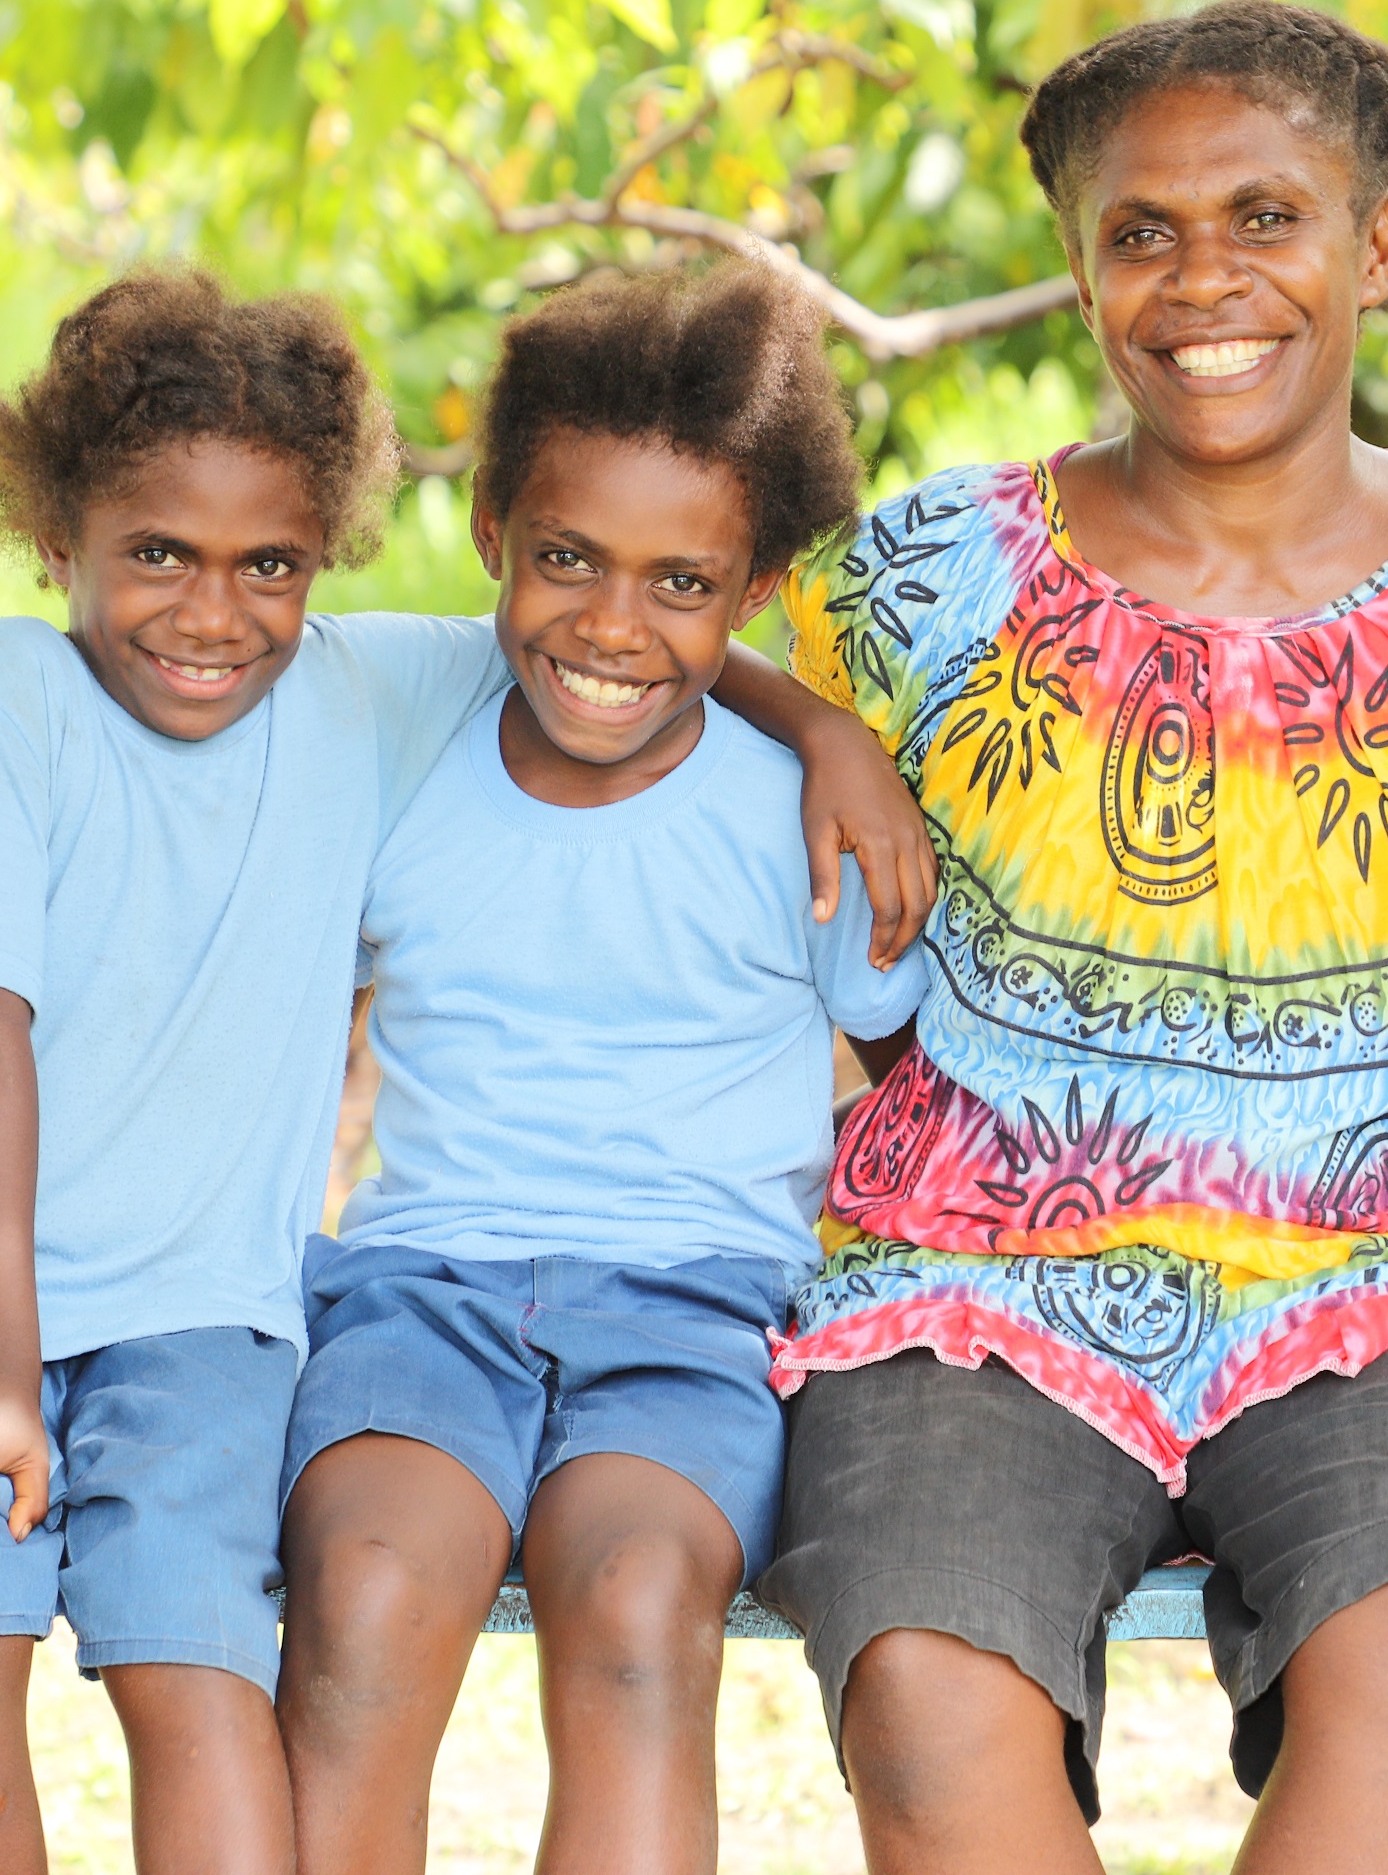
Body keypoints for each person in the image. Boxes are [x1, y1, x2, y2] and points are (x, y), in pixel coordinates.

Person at [0, 270, 928, 1875]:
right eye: (158, 552)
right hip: (170, 1310)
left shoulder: (414, 704)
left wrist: (824, 728)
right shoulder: (154, 696)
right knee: (150, 1622)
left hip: (388, 1322)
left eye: (269, 566)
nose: (214, 612)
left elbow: (653, 637)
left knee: (416, 1626)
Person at [756, 0, 1388, 1875]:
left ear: (1383, 237)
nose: (1206, 282)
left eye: (1268, 217)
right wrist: (812, 720)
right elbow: (657, 681)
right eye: (1142, 233)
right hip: (970, 1292)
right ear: (1076, 261)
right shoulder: (917, 586)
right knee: (931, 1691)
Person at [271, 264, 928, 1875]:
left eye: (679, 584)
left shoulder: (810, 813)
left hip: (701, 1309)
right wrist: (809, 709)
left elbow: (920, 1075)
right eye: (565, 559)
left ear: (754, 587)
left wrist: (830, 735)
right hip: (423, 1286)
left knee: (636, 1603)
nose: (612, 626)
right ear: (492, 529)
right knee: (361, 1590)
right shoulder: (399, 717)